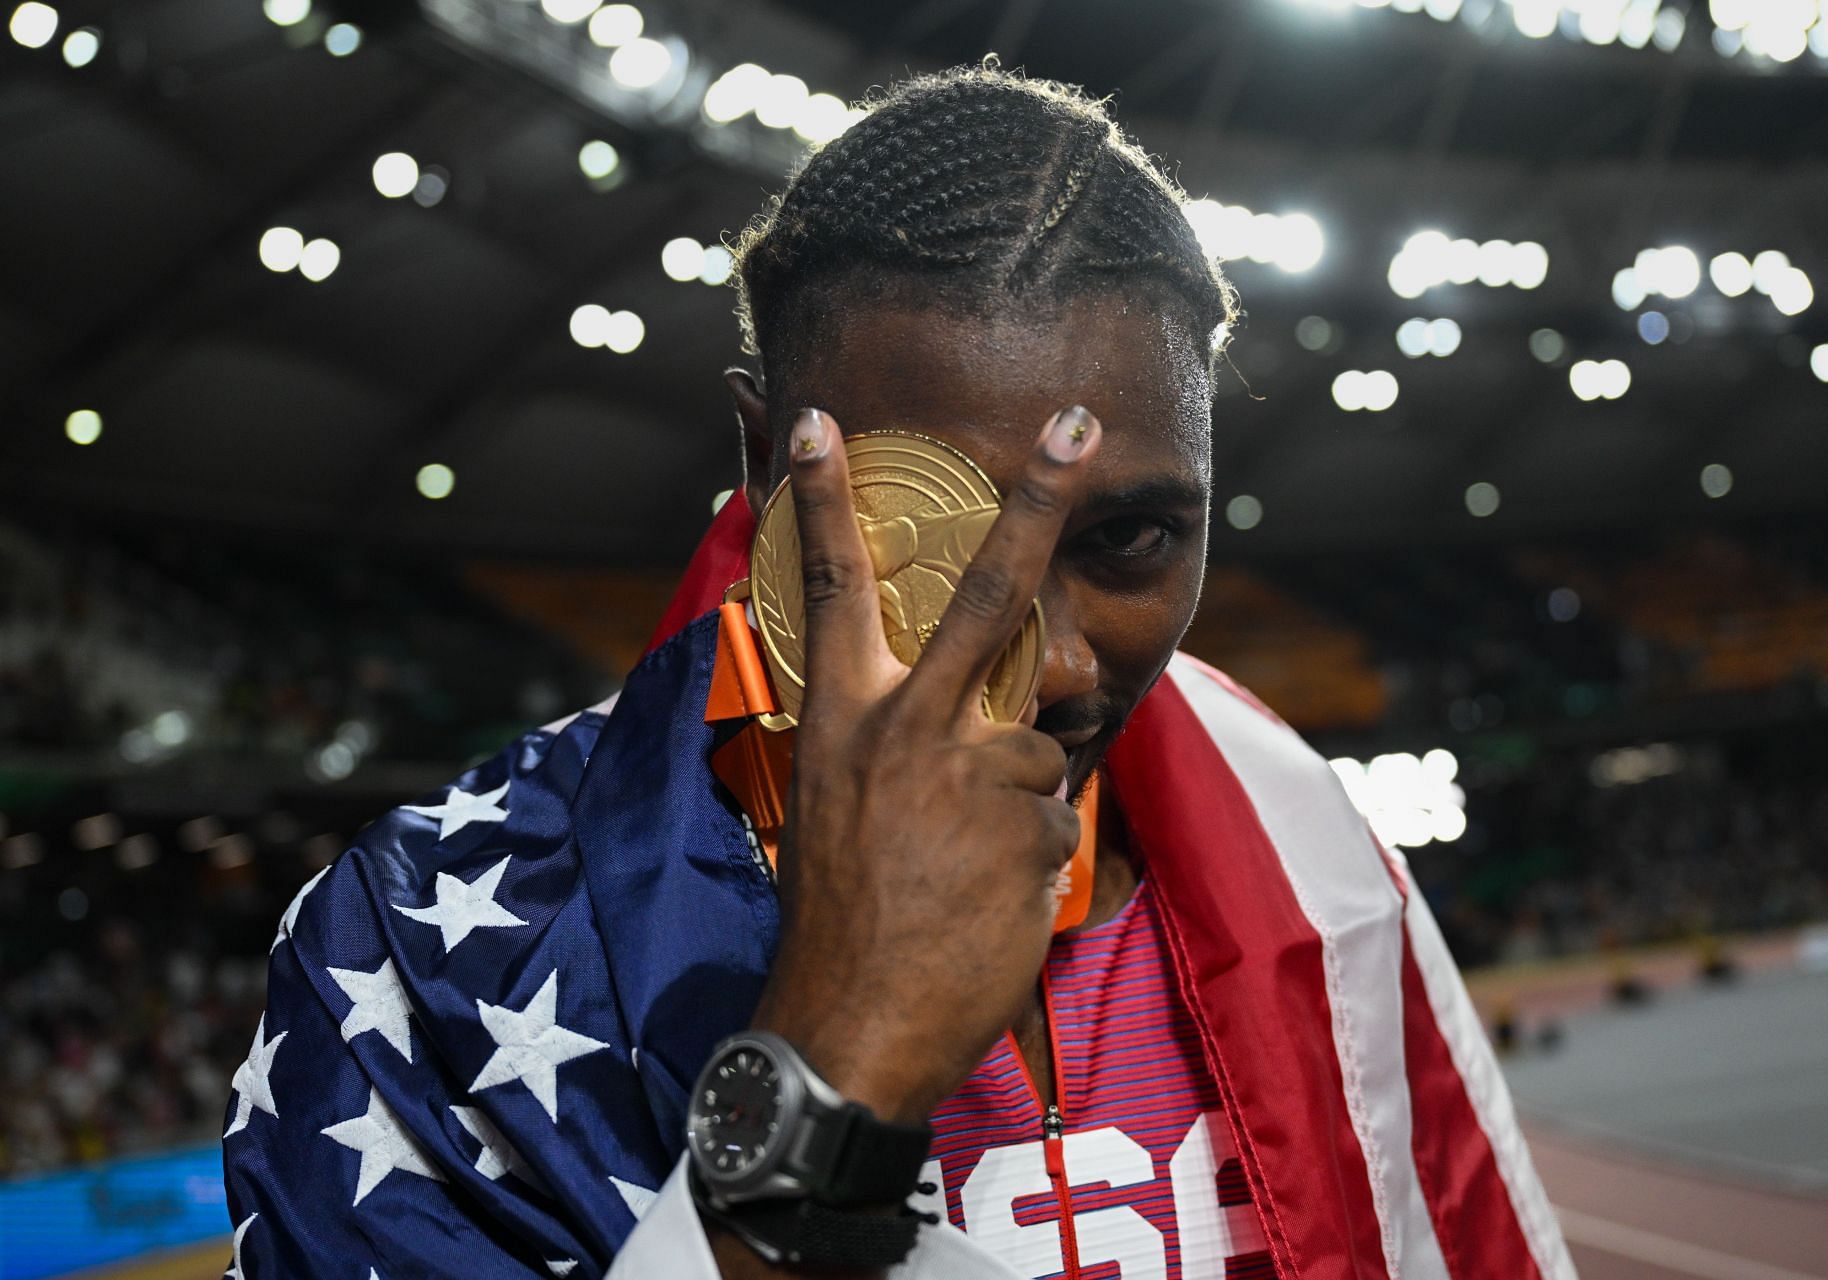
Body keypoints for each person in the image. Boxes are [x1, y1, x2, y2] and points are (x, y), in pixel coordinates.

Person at [222, 67, 1574, 1279]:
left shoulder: (1304, 830)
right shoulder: (415, 949)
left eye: (1134, 539)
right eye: (942, 545)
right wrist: (829, 1081)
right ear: (765, 462)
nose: (1049, 665)